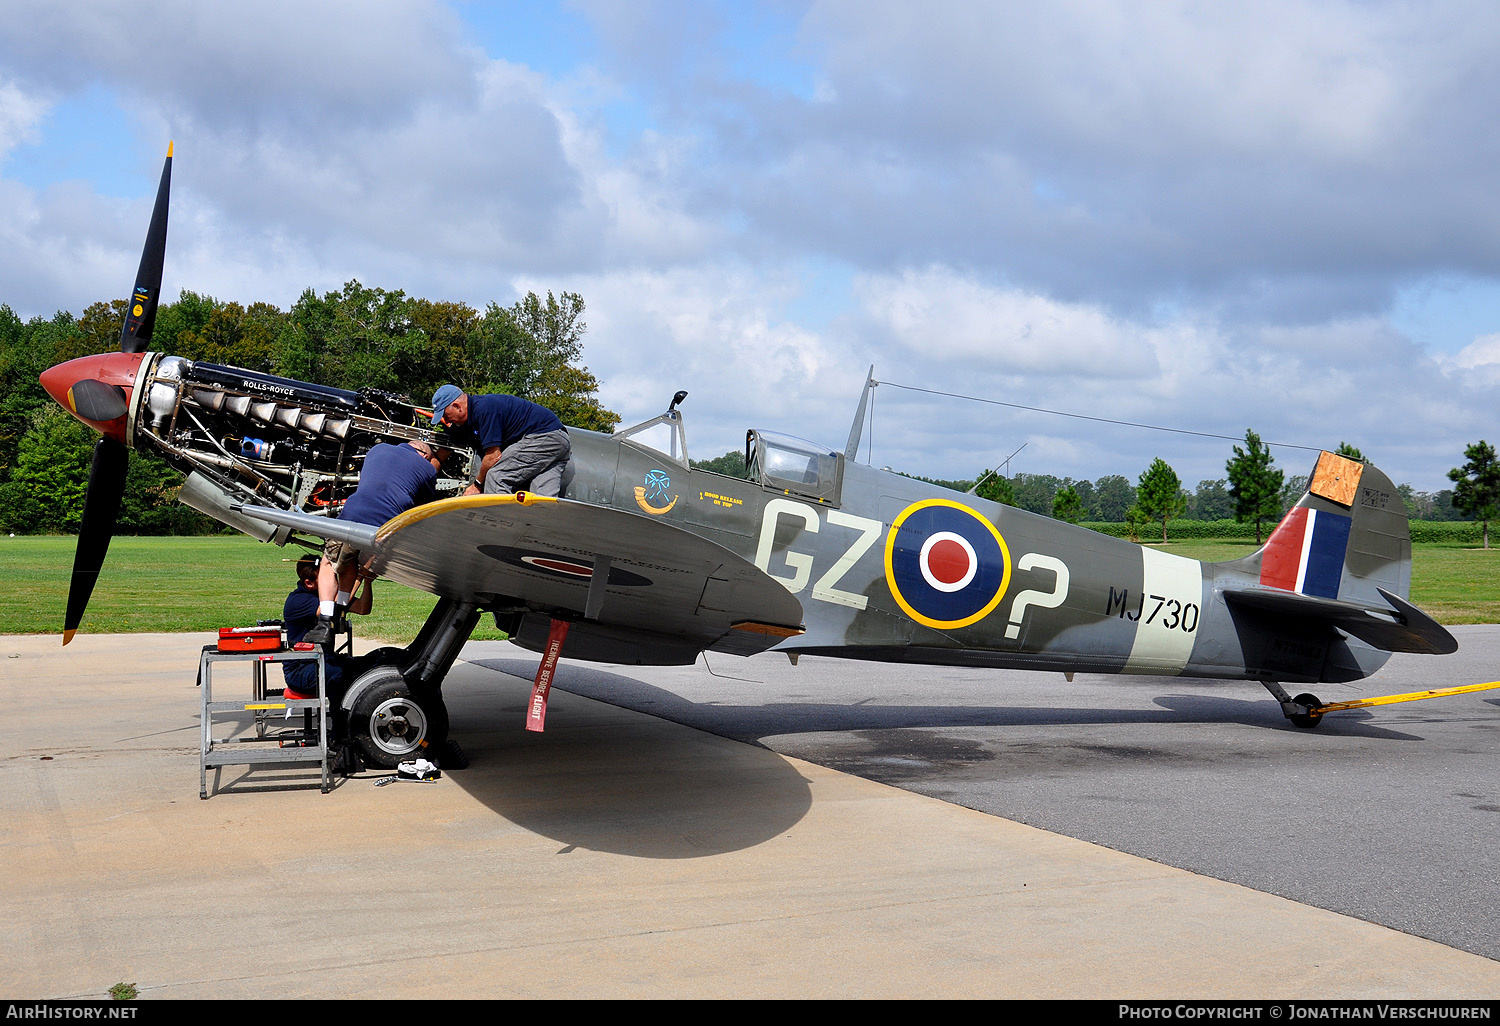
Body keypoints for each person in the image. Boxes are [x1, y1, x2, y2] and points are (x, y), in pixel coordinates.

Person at [303, 439, 446, 646]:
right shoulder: (427, 468)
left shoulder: (377, 449)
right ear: (424, 455)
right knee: (354, 564)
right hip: (385, 529)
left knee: (329, 563)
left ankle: (325, 621)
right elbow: (422, 506)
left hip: (353, 514)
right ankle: (341, 608)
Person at [430, 384, 574, 497]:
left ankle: (501, 529)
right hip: (559, 442)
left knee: (496, 476)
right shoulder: (463, 425)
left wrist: (477, 485)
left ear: (457, 406)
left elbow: (493, 456)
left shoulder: (484, 410)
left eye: (445, 415)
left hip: (544, 437)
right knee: (542, 501)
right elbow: (442, 454)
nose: (446, 420)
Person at [281, 553, 370, 699]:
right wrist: (358, 577)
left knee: (370, 665)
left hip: (324, 661)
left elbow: (363, 608)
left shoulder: (327, 595)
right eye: (325, 578)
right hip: (301, 671)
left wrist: (368, 581)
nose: (331, 581)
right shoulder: (298, 600)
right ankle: (342, 719)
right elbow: (332, 609)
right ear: (309, 583)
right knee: (348, 676)